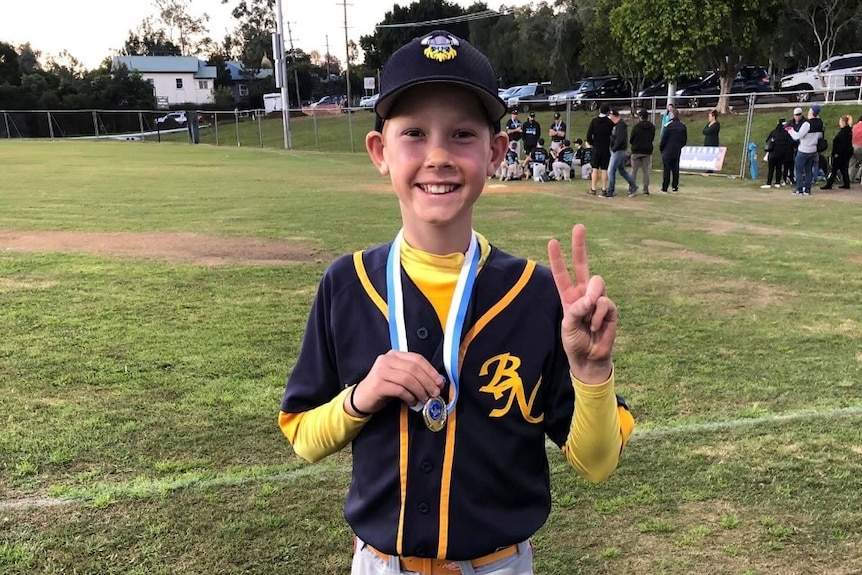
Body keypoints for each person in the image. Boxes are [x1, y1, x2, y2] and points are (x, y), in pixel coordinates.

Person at [278, 30, 633, 575]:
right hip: (380, 564)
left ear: (495, 152)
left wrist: (591, 371)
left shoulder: (537, 295)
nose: (438, 156)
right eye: (414, 134)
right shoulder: (346, 284)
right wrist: (362, 396)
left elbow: (597, 462)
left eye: (462, 134)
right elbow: (302, 435)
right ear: (380, 151)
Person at [787, 104, 825, 196]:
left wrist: (790, 130)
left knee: (798, 169)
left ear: (812, 112)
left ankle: (799, 189)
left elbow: (797, 136)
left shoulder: (807, 124)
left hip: (804, 149)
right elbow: (820, 136)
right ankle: (807, 190)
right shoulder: (820, 123)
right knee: (808, 170)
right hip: (813, 149)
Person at [604, 109, 637, 198]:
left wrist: (614, 148)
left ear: (614, 116)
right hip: (618, 150)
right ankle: (633, 185)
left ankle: (610, 191)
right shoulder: (617, 125)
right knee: (622, 170)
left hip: (618, 151)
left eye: (610, 116)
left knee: (611, 171)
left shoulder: (620, 126)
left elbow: (620, 139)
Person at [586, 103, 614, 195]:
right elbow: (613, 135)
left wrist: (592, 143)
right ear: (607, 112)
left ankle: (593, 189)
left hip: (596, 147)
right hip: (605, 147)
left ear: (599, 110)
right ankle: (604, 189)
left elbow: (589, 135)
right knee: (604, 169)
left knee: (595, 169)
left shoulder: (594, 121)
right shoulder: (610, 122)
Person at [821, 114, 854, 190]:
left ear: (843, 122)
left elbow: (842, 144)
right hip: (845, 153)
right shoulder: (847, 131)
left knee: (835, 169)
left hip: (841, 154)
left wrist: (837, 153)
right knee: (843, 168)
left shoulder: (844, 132)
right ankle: (846, 183)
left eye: (840, 121)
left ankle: (829, 184)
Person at [659, 107, 687, 193]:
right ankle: (675, 187)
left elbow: (664, 139)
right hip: (677, 150)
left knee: (667, 170)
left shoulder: (668, 125)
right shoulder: (683, 126)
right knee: (675, 169)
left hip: (667, 150)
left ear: (672, 115)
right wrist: (679, 146)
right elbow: (684, 140)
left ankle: (665, 187)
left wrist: (661, 148)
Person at [761, 118, 794, 188]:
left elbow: (768, 140)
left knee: (771, 169)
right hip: (782, 154)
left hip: (773, 153)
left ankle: (769, 183)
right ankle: (777, 182)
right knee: (778, 168)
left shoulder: (773, 132)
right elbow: (791, 142)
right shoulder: (786, 133)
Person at [629, 108, 655, 195]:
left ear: (640, 117)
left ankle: (632, 188)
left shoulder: (636, 127)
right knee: (646, 171)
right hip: (647, 151)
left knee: (634, 171)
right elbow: (652, 138)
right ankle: (645, 189)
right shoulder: (652, 127)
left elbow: (631, 139)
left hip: (636, 150)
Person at [850, 114, 862, 183]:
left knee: (852, 162)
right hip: (860, 147)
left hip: (851, 146)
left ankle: (850, 178)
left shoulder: (855, 126)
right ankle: (858, 176)